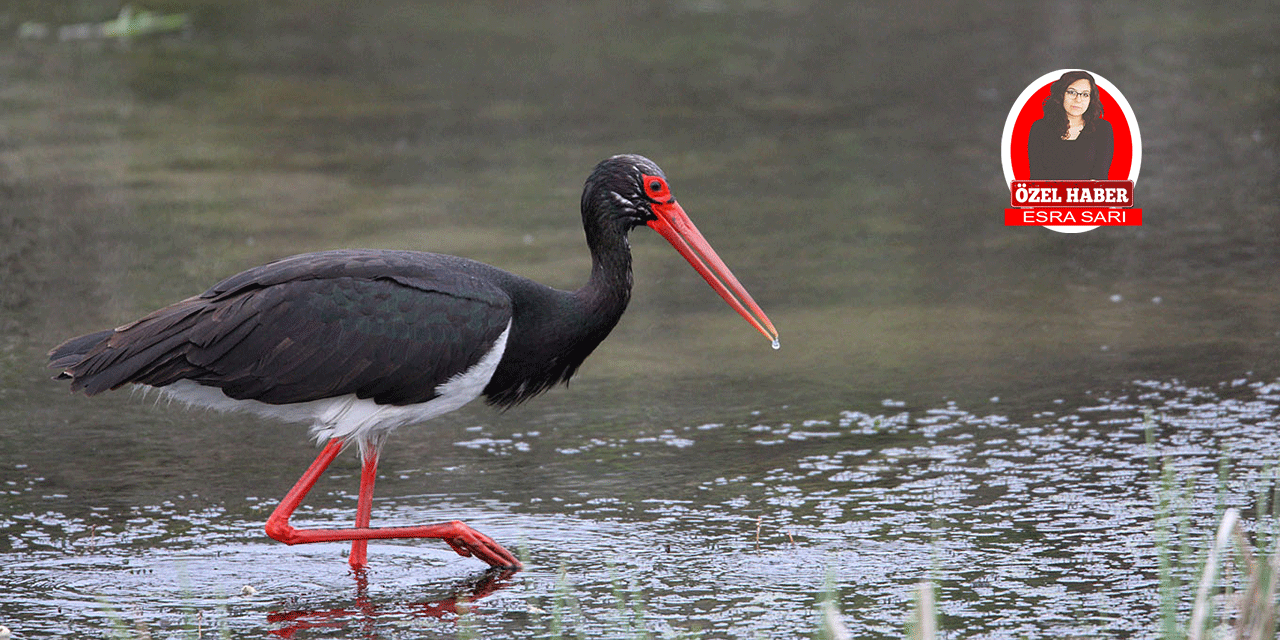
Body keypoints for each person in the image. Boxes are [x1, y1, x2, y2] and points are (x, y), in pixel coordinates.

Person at [1027, 70, 1114, 180]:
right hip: (1048, 196)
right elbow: (1036, 178)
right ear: (1061, 95)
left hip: (1089, 196)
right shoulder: (1040, 128)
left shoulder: (1102, 129)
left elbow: (1100, 178)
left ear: (1090, 99)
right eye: (1072, 92)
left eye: (1085, 94)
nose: (1078, 100)